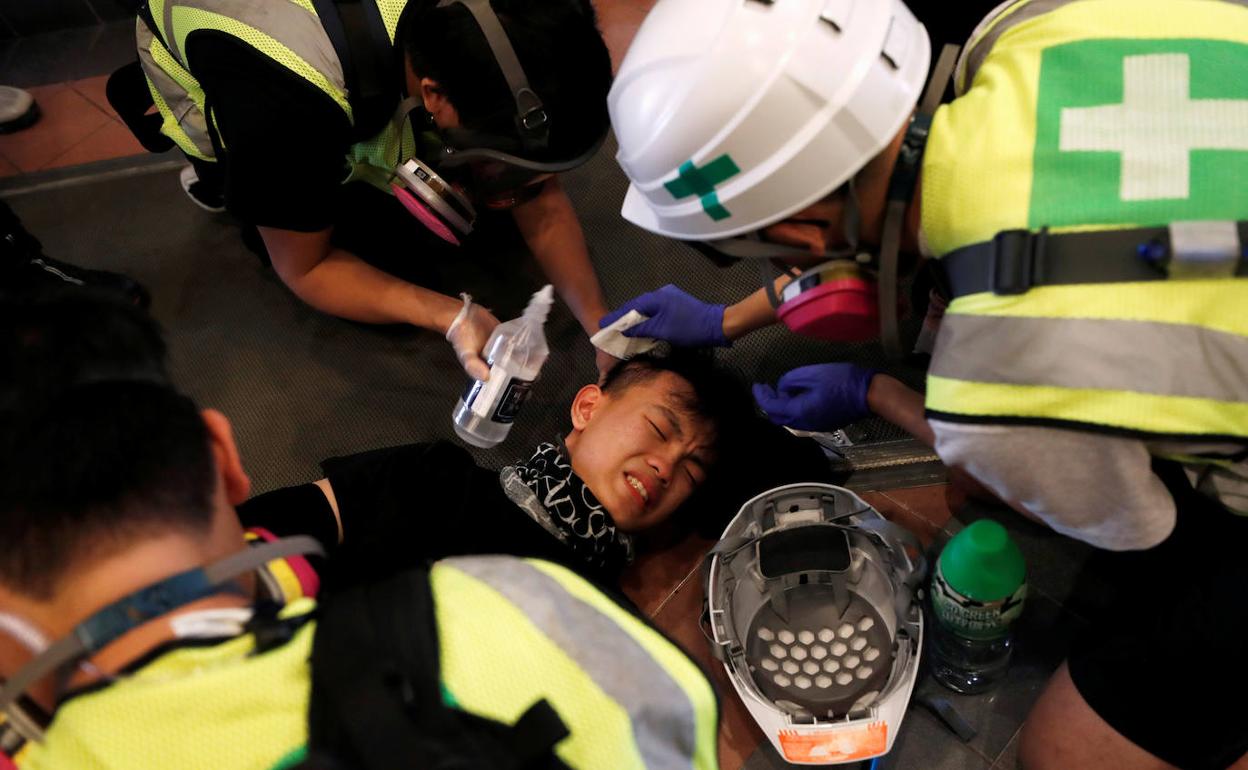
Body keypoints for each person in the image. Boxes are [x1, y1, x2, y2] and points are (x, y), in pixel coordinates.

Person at [598, 0, 1248, 767]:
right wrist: (727, 322)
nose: (786, 283)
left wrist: (886, 393)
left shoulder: (1000, 389)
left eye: (762, 260)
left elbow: (1132, 523)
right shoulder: (1027, 25)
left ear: (804, 238)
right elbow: (923, 208)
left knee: (1066, 754)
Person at [0, 290, 724, 769]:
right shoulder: (601, 649)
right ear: (224, 459)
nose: (666, 464)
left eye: (692, 470)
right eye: (661, 429)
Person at [115, 0, 616, 378]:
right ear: (433, 94)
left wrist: (601, 326)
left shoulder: (502, 14)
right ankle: (225, 180)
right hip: (235, 75)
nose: (522, 194)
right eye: (501, 168)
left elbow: (538, 194)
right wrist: (450, 315)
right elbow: (307, 268)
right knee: (399, 262)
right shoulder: (286, 109)